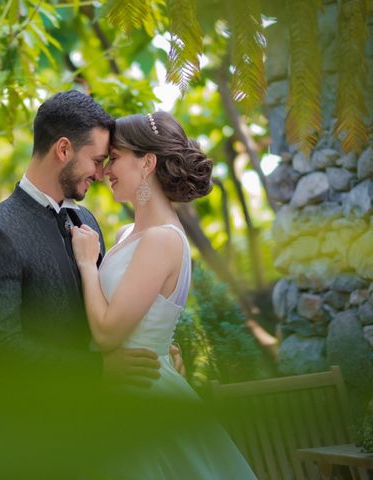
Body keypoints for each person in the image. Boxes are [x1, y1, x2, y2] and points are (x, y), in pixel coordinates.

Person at [71, 111, 256, 478]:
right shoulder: (127, 234)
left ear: (147, 163)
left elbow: (108, 332)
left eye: (115, 158)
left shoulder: (162, 239)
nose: (106, 170)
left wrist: (87, 265)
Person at [0, 91, 168, 398]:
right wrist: (97, 370)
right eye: (97, 161)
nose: (101, 174)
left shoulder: (85, 219)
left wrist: (152, 351)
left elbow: (106, 309)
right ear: (63, 149)